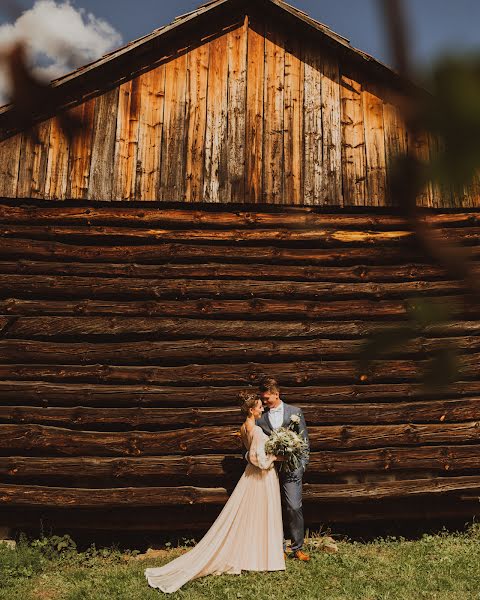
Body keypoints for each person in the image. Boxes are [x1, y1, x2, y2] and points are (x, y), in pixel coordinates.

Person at [144, 391, 285, 594]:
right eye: (259, 406)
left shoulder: (244, 427)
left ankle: (255, 554)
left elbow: (248, 454)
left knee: (251, 515)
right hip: (261, 477)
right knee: (260, 513)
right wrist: (277, 458)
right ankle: (260, 556)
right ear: (252, 410)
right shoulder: (255, 430)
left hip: (250, 476)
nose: (262, 408)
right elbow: (258, 459)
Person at [255, 376, 310, 562]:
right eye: (262, 399)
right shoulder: (260, 417)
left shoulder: (295, 412)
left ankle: (297, 548)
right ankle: (278, 548)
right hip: (268, 469)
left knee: (294, 507)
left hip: (292, 468)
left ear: (276, 394)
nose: (264, 402)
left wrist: (302, 465)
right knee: (272, 509)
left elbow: (304, 441)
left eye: (267, 398)